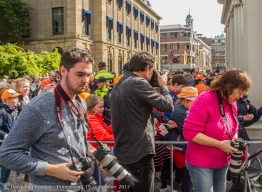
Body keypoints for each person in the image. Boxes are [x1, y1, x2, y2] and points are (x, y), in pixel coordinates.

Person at [0, 47, 98, 191]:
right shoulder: (38, 107)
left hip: (78, 187)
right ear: (63, 71)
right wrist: (50, 169)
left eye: (88, 75)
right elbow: (6, 154)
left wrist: (91, 152)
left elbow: (70, 140)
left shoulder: (81, 102)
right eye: (80, 74)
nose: (86, 80)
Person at [110, 51, 174, 192]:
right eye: (152, 71)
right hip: (140, 152)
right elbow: (168, 105)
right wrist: (163, 86)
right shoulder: (138, 83)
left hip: (122, 150)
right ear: (147, 68)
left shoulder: (119, 84)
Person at [183, 69, 252, 192]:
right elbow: (190, 133)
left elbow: (233, 127)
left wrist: (233, 140)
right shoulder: (204, 99)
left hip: (222, 162)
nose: (241, 96)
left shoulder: (231, 102)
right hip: (202, 163)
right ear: (229, 86)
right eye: (240, 92)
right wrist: (220, 144)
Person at [166, 86, 198, 192]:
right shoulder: (180, 112)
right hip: (178, 147)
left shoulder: (184, 109)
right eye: (193, 101)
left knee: (184, 173)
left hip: (182, 146)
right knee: (187, 174)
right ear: (185, 100)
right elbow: (186, 132)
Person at [0, 89, 20, 191]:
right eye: (14, 98)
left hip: (10, 143)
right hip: (3, 142)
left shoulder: (13, 111)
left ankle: (3, 182)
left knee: (7, 163)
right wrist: (4, 136)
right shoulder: (1, 111)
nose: (17, 100)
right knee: (7, 161)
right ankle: (2, 183)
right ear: (7, 100)